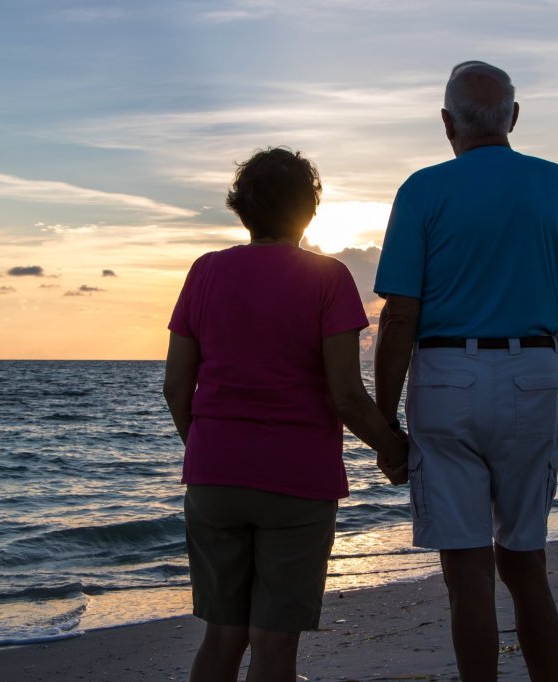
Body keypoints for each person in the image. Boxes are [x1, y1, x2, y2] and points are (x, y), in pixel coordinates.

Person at [373, 61, 558, 682]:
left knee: (467, 573)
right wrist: (548, 377)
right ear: (514, 118)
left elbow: (399, 319)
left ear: (447, 123)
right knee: (526, 562)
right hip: (531, 369)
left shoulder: (422, 189)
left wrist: (386, 421)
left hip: (445, 374)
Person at [163, 147, 408, 682]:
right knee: (274, 646)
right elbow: (345, 394)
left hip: (215, 477)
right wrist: (395, 448)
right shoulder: (328, 278)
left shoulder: (205, 272)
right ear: (309, 210)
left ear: (241, 208)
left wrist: (205, 448)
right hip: (297, 482)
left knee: (222, 637)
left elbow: (176, 384)